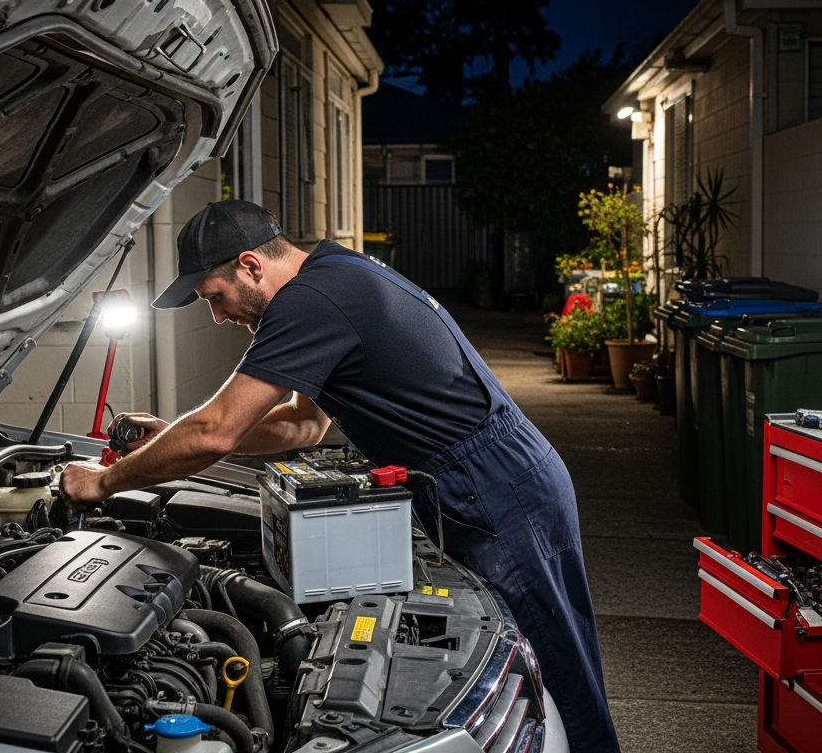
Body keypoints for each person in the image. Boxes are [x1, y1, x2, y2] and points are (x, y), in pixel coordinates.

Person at [59, 200, 618, 752]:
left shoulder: (309, 302)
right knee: (549, 662)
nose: (219, 316)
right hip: (489, 475)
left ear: (251, 266)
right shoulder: (332, 272)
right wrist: (168, 439)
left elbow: (215, 433)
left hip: (493, 483)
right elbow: (302, 425)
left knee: (556, 676)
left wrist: (102, 483)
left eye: (215, 297)